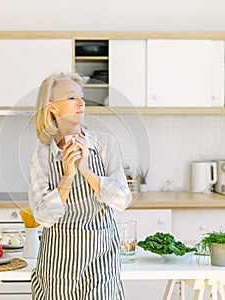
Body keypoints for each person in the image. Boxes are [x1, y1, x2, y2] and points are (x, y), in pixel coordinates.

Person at [28, 72, 132, 299]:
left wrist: (86, 172)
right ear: (52, 108)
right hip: (58, 264)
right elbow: (43, 217)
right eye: (71, 97)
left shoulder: (105, 144)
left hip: (101, 260)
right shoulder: (42, 154)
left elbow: (122, 200)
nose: (82, 102)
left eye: (82, 96)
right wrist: (67, 177)